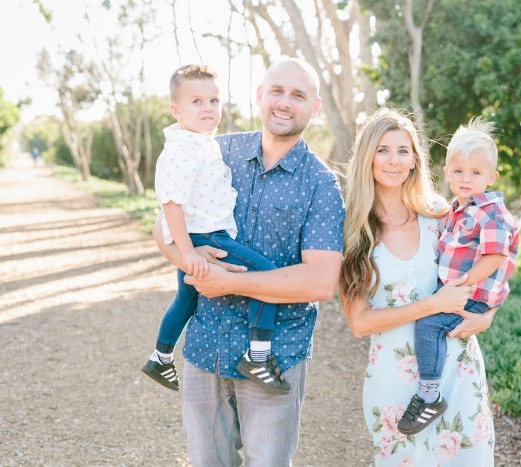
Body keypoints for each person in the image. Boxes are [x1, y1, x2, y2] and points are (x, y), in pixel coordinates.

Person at [153, 57, 344, 466]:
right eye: (276, 90)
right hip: (206, 345)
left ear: (314, 107)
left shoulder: (322, 184)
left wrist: (228, 282)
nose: (284, 102)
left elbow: (321, 282)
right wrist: (189, 260)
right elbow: (163, 227)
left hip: (277, 354)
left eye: (298, 95)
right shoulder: (216, 150)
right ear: (260, 96)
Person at [339, 107, 497, 465]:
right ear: (367, 157)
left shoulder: (441, 214)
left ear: (414, 160)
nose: (393, 160)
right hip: (394, 383)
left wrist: (489, 314)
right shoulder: (352, 230)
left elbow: (494, 260)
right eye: (383, 149)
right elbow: (359, 322)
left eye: (402, 150)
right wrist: (431, 305)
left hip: (458, 369)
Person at [142, 64, 289, 395]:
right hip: (205, 235)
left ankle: (161, 356)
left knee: (186, 297)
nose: (208, 108)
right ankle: (259, 357)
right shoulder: (182, 149)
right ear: (176, 110)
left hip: (199, 233)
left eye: (214, 100)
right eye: (197, 101)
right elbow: (171, 203)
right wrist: (188, 251)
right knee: (266, 275)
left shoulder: (200, 142)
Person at [397, 117, 519, 436]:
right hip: (458, 291)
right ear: (447, 172)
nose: (466, 179)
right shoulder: (455, 209)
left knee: (428, 325)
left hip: (471, 297)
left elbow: (495, 256)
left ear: (491, 177)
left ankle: (429, 395)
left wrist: (464, 283)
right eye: (459, 171)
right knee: (430, 324)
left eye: (476, 173)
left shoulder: (491, 212)